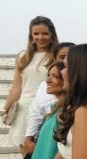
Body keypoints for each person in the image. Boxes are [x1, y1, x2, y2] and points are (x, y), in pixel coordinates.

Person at [22, 54, 69, 159]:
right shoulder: (55, 109)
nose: (48, 80)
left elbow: (64, 150)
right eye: (48, 75)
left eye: (55, 76)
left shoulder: (68, 111)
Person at [4, 16, 57, 151]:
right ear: (31, 36)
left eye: (45, 33)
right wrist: (6, 109)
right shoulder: (23, 56)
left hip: (48, 107)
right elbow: (16, 87)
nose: (40, 37)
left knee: (46, 150)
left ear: (52, 35)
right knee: (26, 152)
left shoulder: (57, 55)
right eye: (36, 33)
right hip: (25, 108)